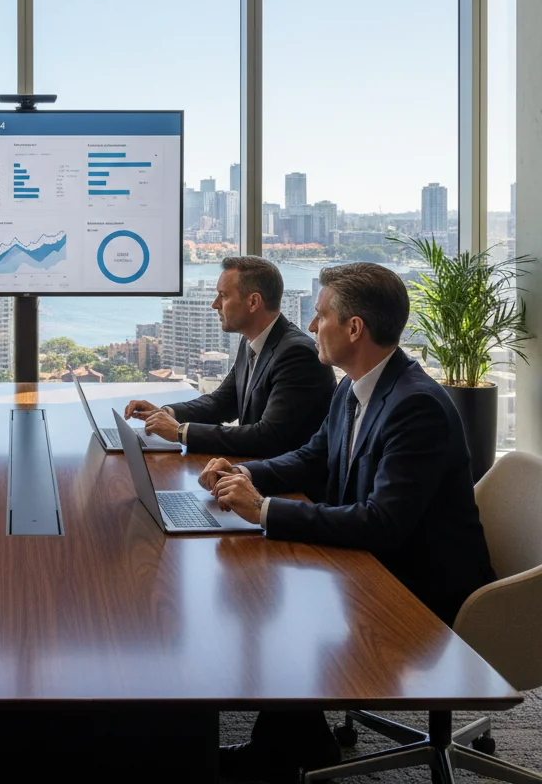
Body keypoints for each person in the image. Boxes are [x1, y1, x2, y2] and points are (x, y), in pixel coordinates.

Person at [199, 263, 496, 782]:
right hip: (380, 563)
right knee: (266, 584)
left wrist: (263, 510)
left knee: (277, 605)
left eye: (320, 316)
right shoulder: (355, 387)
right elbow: (313, 458)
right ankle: (299, 738)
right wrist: (242, 473)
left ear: (353, 328)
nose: (311, 327)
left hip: (424, 593)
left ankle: (286, 750)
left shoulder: (415, 406)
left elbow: (381, 524)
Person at [124, 256, 336, 456]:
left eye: (223, 296)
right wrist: (167, 413)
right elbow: (222, 402)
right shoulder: (250, 341)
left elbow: (269, 437)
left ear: (253, 302)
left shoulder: (297, 355)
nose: (215, 304)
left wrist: (181, 432)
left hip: (291, 487)